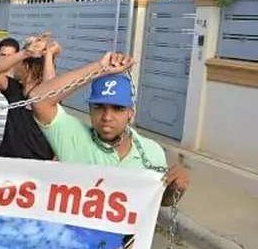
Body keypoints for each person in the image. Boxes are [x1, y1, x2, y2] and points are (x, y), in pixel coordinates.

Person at [29, 52, 191, 205]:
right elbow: (39, 100)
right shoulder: (73, 137)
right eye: (99, 107)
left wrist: (176, 187)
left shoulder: (152, 151)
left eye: (117, 109)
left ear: (130, 113)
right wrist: (100, 67)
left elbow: (159, 201)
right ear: (90, 109)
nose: (107, 117)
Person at [0, 34, 56, 160]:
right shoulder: (14, 89)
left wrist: (49, 54)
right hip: (7, 159)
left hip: (37, 162)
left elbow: (51, 88)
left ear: (26, 67)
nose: (13, 67)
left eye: (18, 63)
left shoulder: (45, 94)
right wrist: (26, 52)